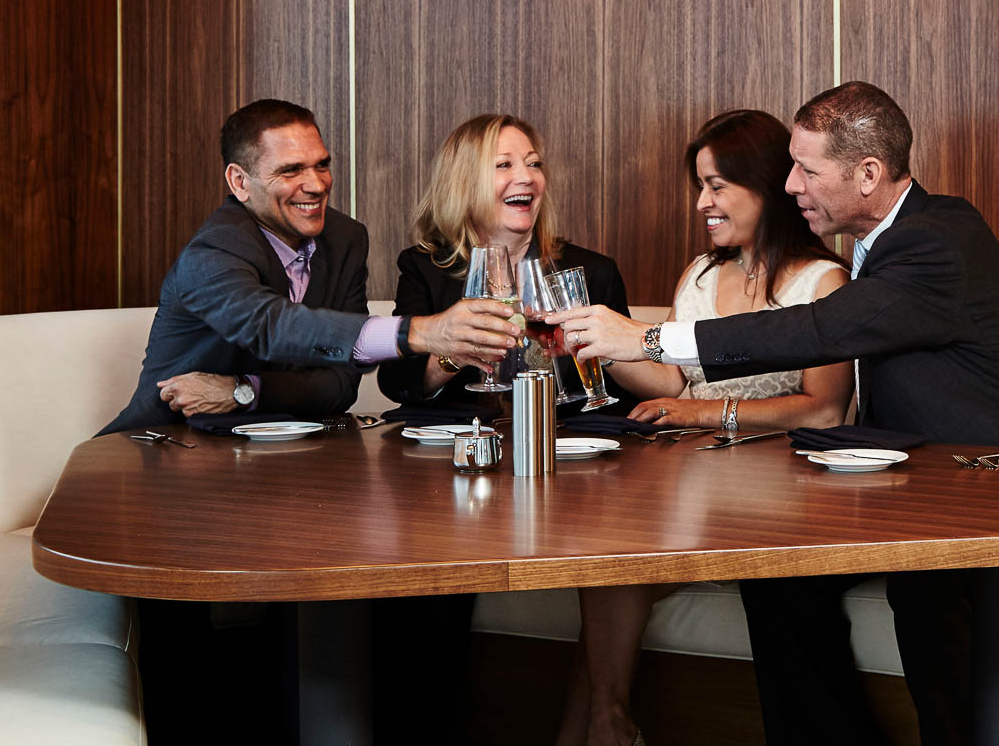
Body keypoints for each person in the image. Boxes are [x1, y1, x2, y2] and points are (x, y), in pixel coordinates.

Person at [560, 82, 999, 746]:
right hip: (914, 495)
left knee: (930, 596)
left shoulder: (936, 240)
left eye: (806, 169)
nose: (790, 183)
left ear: (867, 174)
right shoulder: (878, 244)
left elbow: (818, 330)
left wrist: (649, 338)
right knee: (780, 576)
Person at [557, 109, 849, 746]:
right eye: (700, 186)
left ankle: (601, 727)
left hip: (781, 496)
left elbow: (824, 410)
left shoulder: (825, 282)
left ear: (766, 187)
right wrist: (592, 341)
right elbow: (671, 383)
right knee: (606, 546)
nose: (701, 203)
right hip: (690, 484)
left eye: (716, 186)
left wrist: (704, 412)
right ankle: (610, 723)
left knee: (617, 551)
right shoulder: (701, 273)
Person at [103, 99, 523, 436]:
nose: (317, 184)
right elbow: (274, 328)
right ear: (239, 182)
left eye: (321, 164)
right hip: (168, 444)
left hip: (295, 458)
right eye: (291, 170)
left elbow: (340, 386)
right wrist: (425, 332)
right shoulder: (213, 251)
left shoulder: (344, 238)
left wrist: (242, 391)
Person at [376, 113, 632, 411]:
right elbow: (397, 383)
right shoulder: (425, 268)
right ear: (464, 184)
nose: (527, 177)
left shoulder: (594, 272)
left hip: (566, 436)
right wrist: (453, 355)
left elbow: (625, 396)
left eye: (533, 164)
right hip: (462, 436)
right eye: (503, 165)